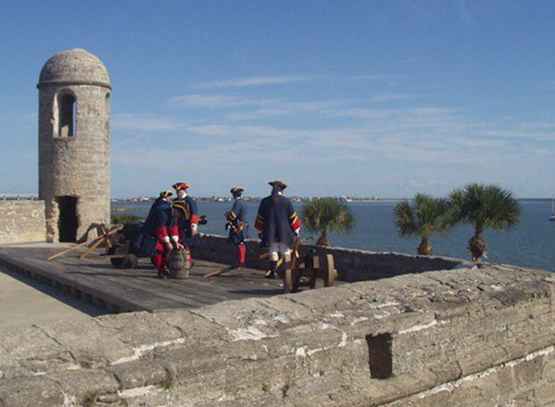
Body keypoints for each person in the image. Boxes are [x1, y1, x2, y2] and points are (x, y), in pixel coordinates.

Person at [255, 180, 301, 279]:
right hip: (285, 232)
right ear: (282, 190)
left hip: (270, 232)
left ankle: (273, 272)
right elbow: (293, 218)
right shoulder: (286, 201)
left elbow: (260, 219)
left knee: (273, 251)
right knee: (286, 252)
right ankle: (287, 273)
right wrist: (297, 231)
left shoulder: (265, 201)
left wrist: (259, 231)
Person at [141, 190, 183, 278]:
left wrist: (176, 241)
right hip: (152, 232)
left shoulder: (173, 213)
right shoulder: (162, 212)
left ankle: (165, 268)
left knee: (165, 251)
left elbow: (173, 227)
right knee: (158, 251)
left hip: (160, 232)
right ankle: (161, 270)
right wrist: (168, 242)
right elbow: (161, 227)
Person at [224, 186, 248, 270]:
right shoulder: (243, 202)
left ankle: (240, 261)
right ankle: (240, 261)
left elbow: (233, 215)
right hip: (242, 225)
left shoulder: (237, 203)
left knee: (239, 243)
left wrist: (227, 215)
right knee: (240, 243)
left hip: (238, 226)